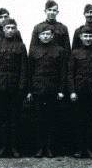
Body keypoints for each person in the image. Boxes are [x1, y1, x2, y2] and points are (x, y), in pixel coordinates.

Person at [28, 24, 68, 158]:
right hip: (38, 89)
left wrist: (61, 90)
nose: (45, 36)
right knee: (38, 120)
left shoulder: (59, 50)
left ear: (52, 36)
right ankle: (40, 147)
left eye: (48, 34)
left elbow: (63, 72)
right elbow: (29, 71)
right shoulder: (33, 50)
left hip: (53, 89)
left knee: (52, 120)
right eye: (43, 34)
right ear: (38, 36)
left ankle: (50, 147)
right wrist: (29, 90)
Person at [0, 18, 27, 158]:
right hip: (0, 88)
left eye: (13, 28)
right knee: (1, 120)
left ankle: (14, 148)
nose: (10, 30)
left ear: (16, 29)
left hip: (15, 87)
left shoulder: (20, 46)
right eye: (8, 28)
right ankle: (2, 147)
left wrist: (21, 87)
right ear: (3, 29)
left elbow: (24, 68)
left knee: (14, 120)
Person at [68, 26, 92, 159]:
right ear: (81, 38)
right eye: (85, 36)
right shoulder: (75, 53)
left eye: (90, 37)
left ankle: (89, 149)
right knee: (78, 121)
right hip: (78, 92)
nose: (88, 39)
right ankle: (79, 149)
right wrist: (72, 91)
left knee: (91, 122)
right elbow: (70, 74)